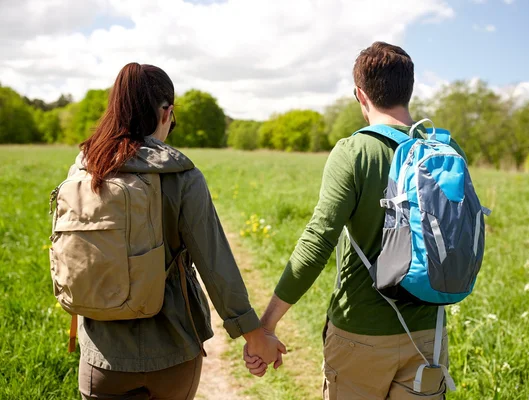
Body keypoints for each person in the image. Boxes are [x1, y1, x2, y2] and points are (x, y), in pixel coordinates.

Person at [244, 42, 468, 399]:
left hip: (360, 336)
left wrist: (266, 325)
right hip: (429, 335)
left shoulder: (354, 152)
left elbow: (317, 242)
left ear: (360, 95)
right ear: (408, 89)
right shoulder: (446, 151)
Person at [72, 63, 285, 399]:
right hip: (172, 354)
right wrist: (254, 336)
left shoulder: (85, 169)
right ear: (166, 113)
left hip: (103, 356)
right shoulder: (182, 176)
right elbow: (216, 266)